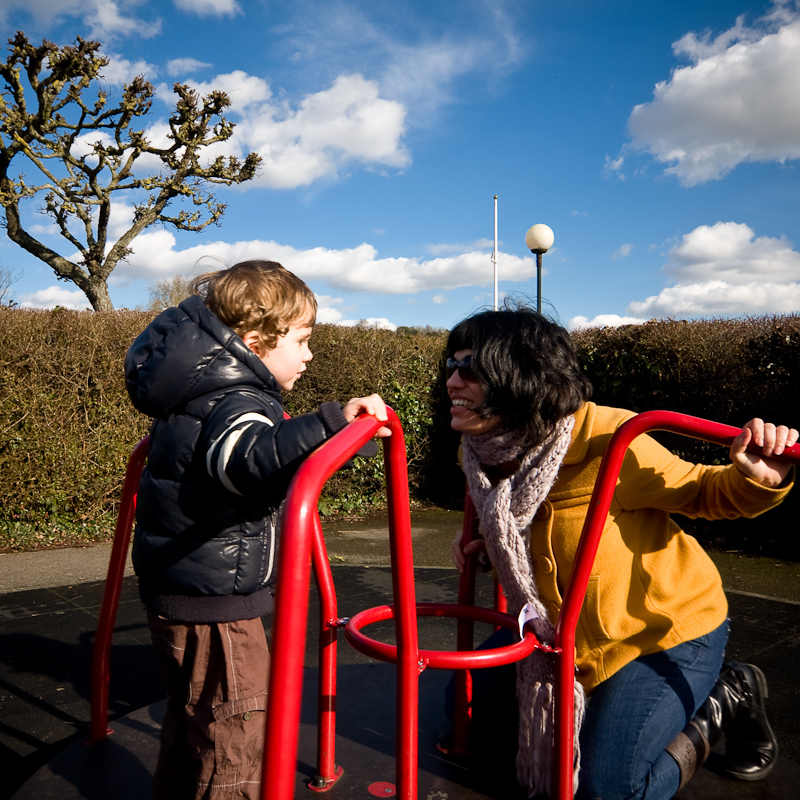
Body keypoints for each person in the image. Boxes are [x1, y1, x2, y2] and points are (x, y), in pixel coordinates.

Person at [445, 302, 796, 800]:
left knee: (608, 788)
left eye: (471, 368)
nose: (453, 382)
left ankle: (726, 697)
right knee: (465, 714)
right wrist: (489, 543)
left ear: (520, 377)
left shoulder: (610, 439)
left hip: (663, 634)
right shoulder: (482, 452)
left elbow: (702, 492)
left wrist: (758, 482)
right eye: (451, 366)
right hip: (564, 637)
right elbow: (516, 519)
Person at [124, 259, 390, 800]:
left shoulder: (200, 396)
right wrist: (332, 422)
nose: (310, 355)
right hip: (217, 602)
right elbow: (244, 462)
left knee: (195, 724)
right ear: (256, 341)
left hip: (182, 587)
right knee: (236, 734)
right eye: (301, 340)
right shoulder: (239, 400)